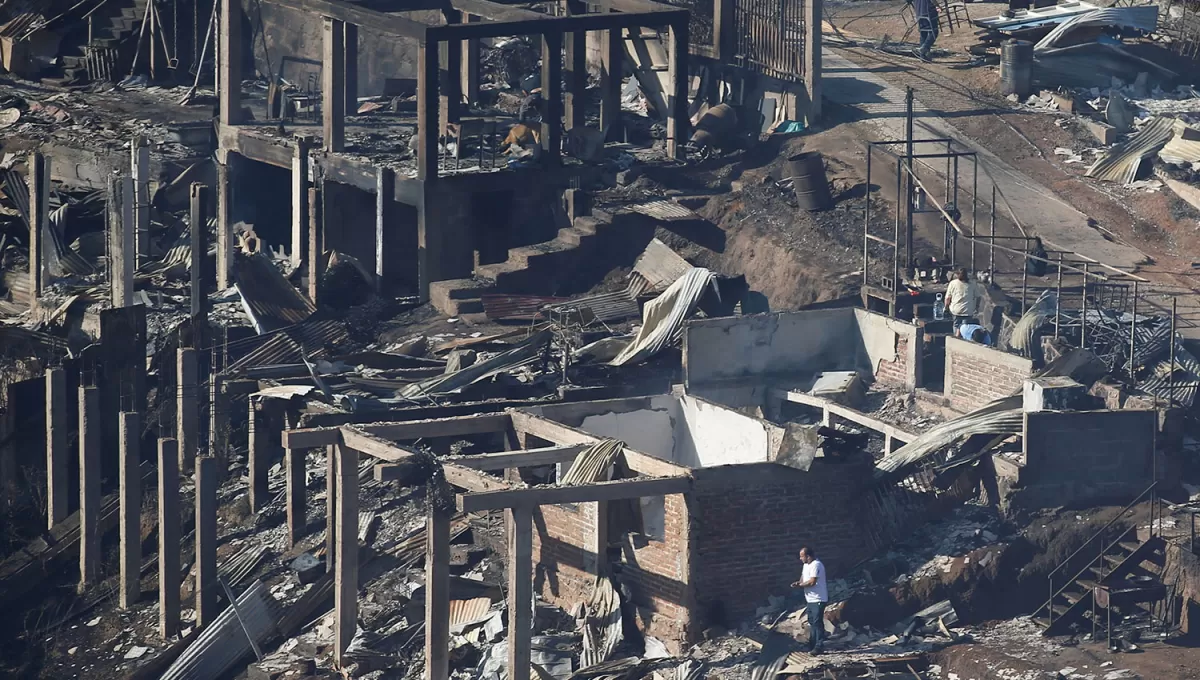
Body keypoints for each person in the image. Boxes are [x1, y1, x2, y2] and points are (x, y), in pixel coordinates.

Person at [790, 546, 828, 654]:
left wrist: (801, 585)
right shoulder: (806, 565)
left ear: (808, 556)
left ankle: (819, 646)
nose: (800, 559)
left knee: (817, 622)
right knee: (811, 622)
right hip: (810, 599)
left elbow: (812, 582)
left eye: (802, 556)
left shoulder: (816, 565)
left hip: (818, 598)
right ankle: (812, 644)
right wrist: (799, 582)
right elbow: (803, 577)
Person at [944, 268, 983, 333]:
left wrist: (946, 308)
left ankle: (956, 338)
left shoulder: (953, 283)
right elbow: (978, 297)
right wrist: (977, 307)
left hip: (956, 310)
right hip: (968, 310)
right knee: (966, 327)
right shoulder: (972, 284)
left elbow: (948, 298)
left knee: (956, 326)